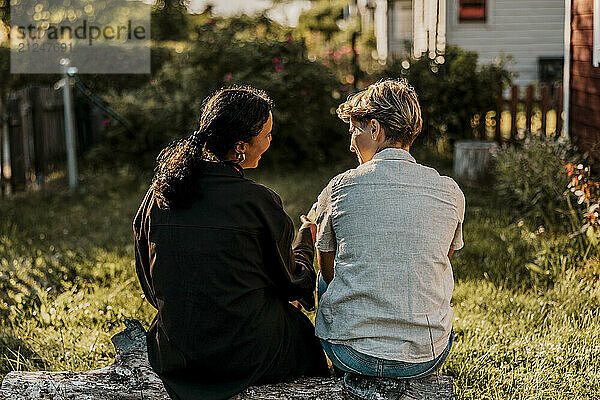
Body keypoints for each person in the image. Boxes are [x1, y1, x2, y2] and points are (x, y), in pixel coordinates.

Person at [133, 86, 329, 400]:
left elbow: (149, 277)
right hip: (242, 355)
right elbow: (294, 282)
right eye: (266, 135)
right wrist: (307, 236)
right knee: (302, 335)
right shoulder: (257, 202)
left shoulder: (160, 194)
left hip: (177, 351)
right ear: (240, 147)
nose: (269, 142)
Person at [313, 78, 465, 379]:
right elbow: (443, 256)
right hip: (425, 355)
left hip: (351, 353)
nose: (351, 143)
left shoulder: (341, 186)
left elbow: (328, 268)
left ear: (374, 128)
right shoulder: (449, 191)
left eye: (354, 131)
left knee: (323, 276)